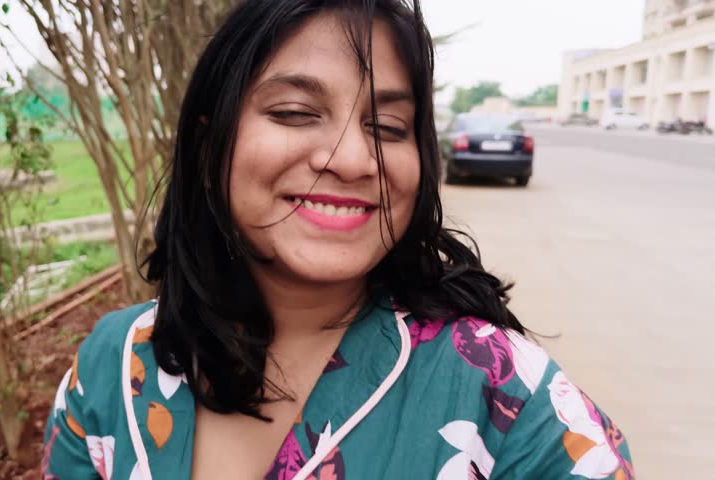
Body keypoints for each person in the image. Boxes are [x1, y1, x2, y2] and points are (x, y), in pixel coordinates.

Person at [41, 1, 634, 478]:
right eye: (297, 112)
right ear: (207, 147)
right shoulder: (112, 367)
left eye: (388, 128)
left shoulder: (509, 400)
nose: (353, 160)